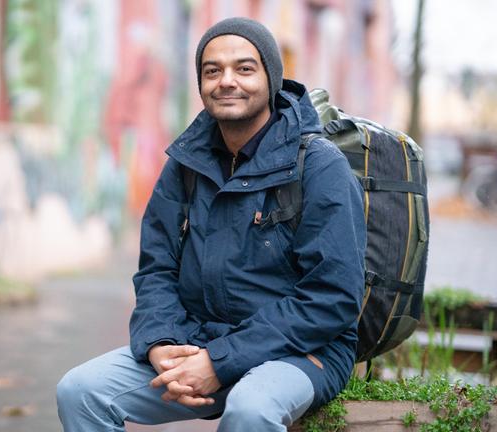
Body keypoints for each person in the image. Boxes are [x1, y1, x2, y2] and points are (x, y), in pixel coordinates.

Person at [57, 17, 366, 431]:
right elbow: (157, 270)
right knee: (80, 391)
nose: (226, 81)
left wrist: (220, 362)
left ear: (271, 79)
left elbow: (332, 298)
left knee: (251, 408)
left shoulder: (319, 165)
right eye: (212, 70)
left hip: (304, 351)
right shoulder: (186, 164)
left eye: (244, 68)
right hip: (200, 340)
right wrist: (161, 342)